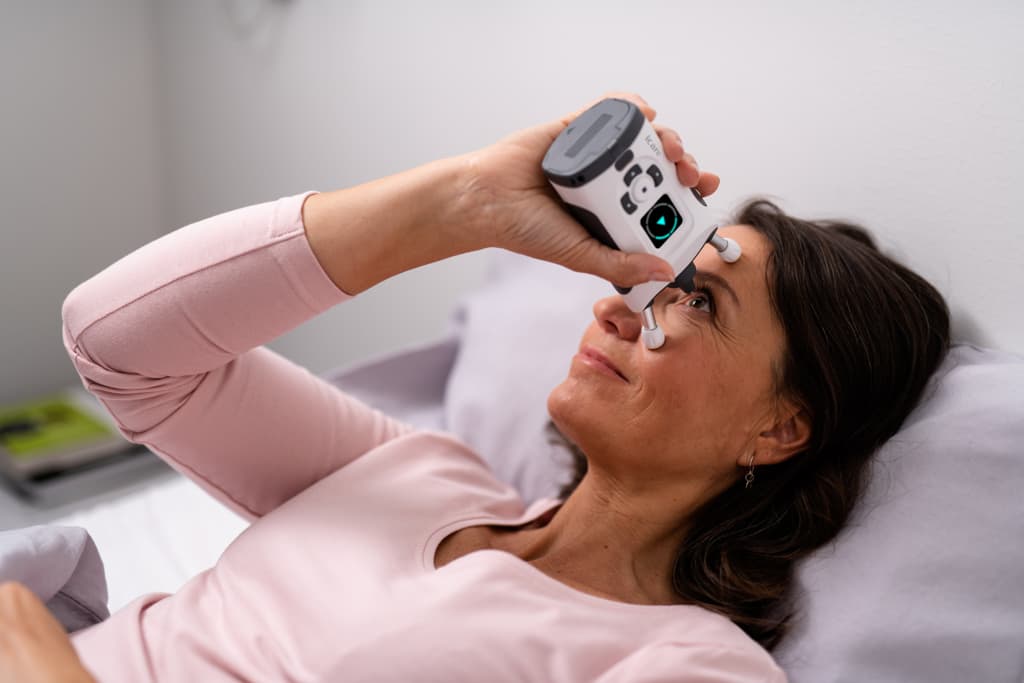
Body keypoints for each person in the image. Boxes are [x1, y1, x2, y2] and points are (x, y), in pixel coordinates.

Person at [6, 92, 949, 682]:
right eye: (646, 282)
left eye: (698, 302)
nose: (620, 311)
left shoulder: (680, 663)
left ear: (780, 429)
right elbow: (119, 346)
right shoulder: (416, 472)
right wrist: (460, 205)